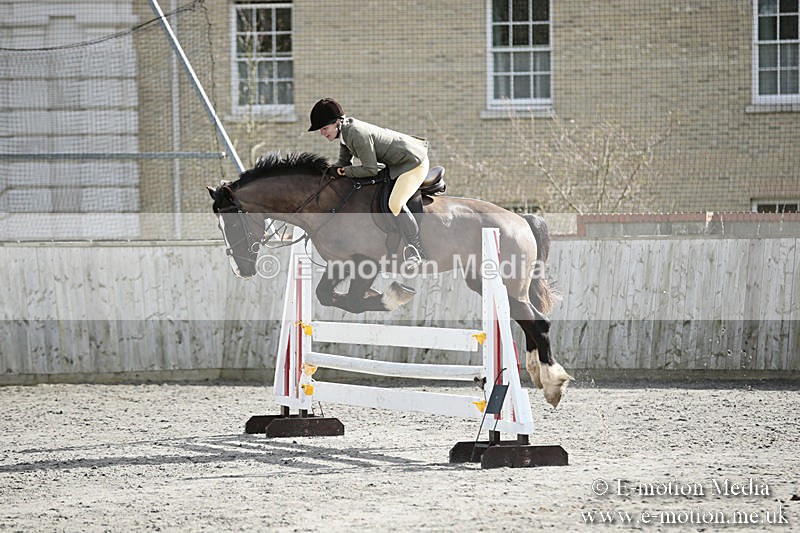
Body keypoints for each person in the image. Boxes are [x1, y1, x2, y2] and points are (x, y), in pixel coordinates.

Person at [308, 98, 429, 264]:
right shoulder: (345, 133)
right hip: (397, 164)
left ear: (337, 122)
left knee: (395, 203)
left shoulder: (356, 133)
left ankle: (416, 250)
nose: (322, 133)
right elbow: (343, 162)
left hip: (413, 163)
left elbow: (370, 169)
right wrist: (327, 173)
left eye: (324, 128)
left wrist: (343, 171)